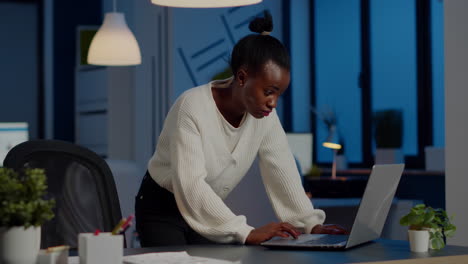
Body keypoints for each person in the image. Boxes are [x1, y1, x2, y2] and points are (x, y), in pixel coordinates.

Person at [135, 11, 347, 247]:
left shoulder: (265, 116)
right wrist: (244, 231)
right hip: (162, 208)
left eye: (279, 94)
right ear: (242, 77)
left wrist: (310, 223)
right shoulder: (191, 106)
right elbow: (192, 185)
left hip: (207, 209)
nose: (273, 102)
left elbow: (282, 168)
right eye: (268, 91)